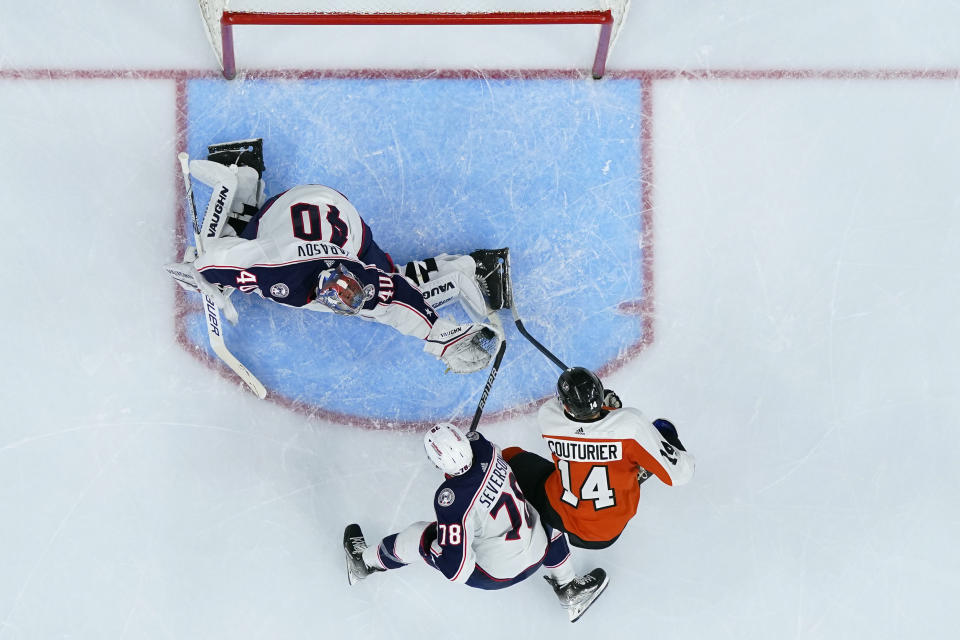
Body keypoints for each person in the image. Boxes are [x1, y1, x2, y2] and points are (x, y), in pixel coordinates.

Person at [166, 139, 511, 374]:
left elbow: (403, 303)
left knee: (391, 284)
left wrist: (444, 339)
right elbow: (221, 260)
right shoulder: (277, 270)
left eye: (349, 296)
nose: (348, 297)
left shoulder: (367, 283)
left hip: (347, 222)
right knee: (237, 236)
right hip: (292, 205)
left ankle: (470, 269)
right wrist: (205, 275)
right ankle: (241, 177)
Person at [343, 423, 609, 623]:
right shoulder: (485, 448)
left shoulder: (451, 500)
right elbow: (478, 446)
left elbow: (457, 570)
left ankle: (363, 563)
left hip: (496, 575)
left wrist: (433, 548)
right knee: (548, 514)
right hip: (539, 550)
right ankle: (568, 587)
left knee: (419, 536)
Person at [503, 367, 695, 549]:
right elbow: (680, 475)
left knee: (511, 457)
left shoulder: (548, 416)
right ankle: (634, 468)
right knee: (660, 433)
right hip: (610, 529)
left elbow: (573, 418)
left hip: (562, 513)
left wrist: (607, 409)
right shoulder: (630, 426)